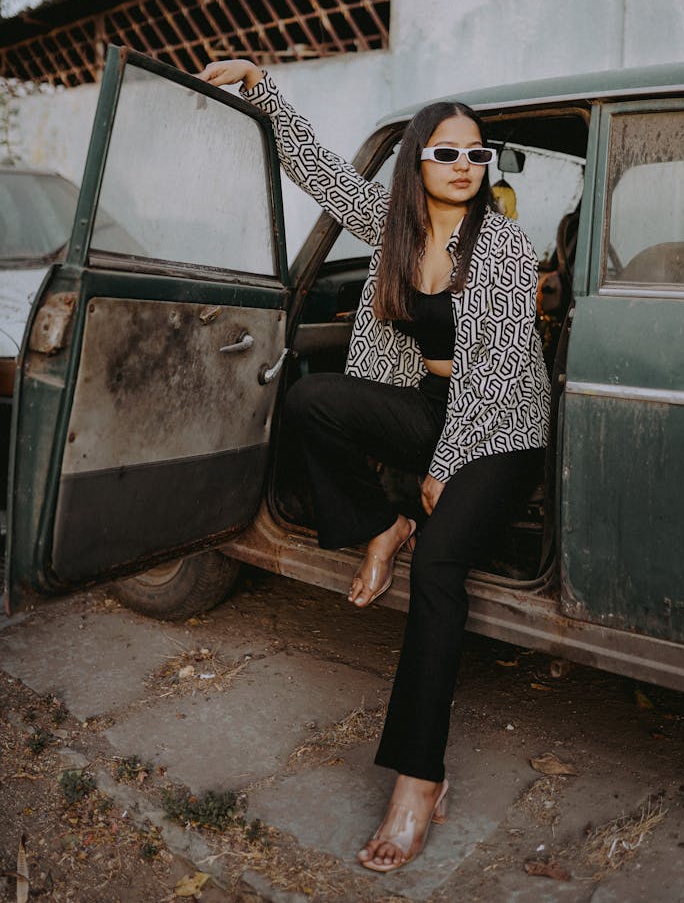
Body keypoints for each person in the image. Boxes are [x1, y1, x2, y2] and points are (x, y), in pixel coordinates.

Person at [198, 59, 550, 872]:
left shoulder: (499, 241)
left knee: (440, 571)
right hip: (429, 410)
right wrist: (262, 92)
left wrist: (445, 467)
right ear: (418, 161)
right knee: (309, 401)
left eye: (477, 153)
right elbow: (318, 166)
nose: (465, 165)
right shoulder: (391, 227)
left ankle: (418, 780)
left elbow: (496, 368)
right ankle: (378, 523)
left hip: (500, 430)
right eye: (447, 152)